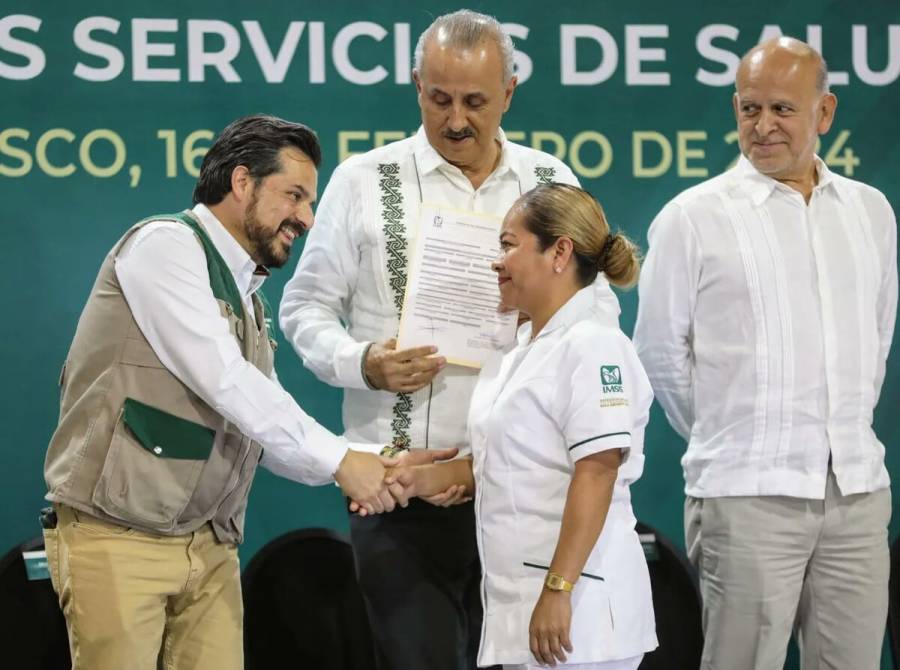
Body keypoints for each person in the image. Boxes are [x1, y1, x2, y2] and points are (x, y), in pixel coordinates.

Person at [279, 10, 621, 669]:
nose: (456, 120)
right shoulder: (361, 181)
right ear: (415, 86)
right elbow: (304, 310)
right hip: (396, 484)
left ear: (511, 93)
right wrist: (364, 363)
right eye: (439, 98)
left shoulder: (548, 182)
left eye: (475, 102)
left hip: (522, 488)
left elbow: (595, 311)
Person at [41, 114, 398, 670]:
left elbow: (267, 429)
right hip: (117, 538)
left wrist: (371, 461)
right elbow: (225, 380)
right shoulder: (164, 246)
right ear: (241, 183)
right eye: (295, 196)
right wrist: (342, 461)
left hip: (209, 549)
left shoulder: (248, 295)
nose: (306, 218)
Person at [633, 37, 897, 669]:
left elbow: (876, 339)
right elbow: (659, 357)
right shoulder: (692, 218)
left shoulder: (871, 212)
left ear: (824, 113)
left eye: (782, 108)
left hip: (857, 492)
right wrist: (736, 435)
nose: (763, 125)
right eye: (750, 109)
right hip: (745, 498)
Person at [384, 183, 658, 670]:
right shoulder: (516, 352)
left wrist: (560, 589)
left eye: (509, 244)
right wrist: (416, 478)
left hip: (581, 616)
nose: (497, 261)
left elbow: (597, 471)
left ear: (560, 252)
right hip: (525, 612)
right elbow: (498, 462)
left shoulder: (594, 345)